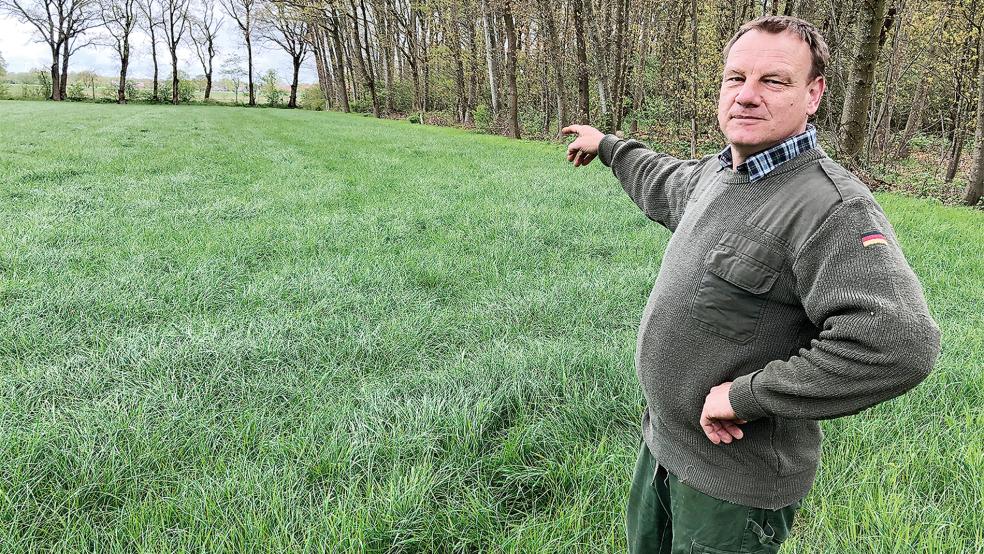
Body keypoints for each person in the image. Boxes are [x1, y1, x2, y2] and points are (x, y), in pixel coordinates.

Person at [562, 16, 941, 554]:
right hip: (665, 447)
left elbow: (901, 343)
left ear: (814, 94)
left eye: (773, 81)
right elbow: (662, 178)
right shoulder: (720, 175)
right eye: (735, 78)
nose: (746, 95)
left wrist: (746, 395)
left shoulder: (831, 209)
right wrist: (607, 145)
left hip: (733, 486)